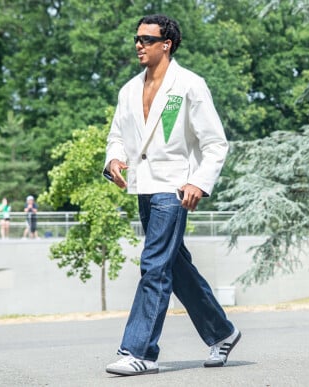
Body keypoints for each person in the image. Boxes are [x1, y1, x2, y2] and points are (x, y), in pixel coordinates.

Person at [103, 14, 240, 377]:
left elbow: (214, 143)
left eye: (147, 39)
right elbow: (117, 134)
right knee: (173, 267)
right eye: (137, 38)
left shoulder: (190, 85)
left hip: (174, 188)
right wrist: (114, 158)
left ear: (167, 44)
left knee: (154, 265)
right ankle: (222, 332)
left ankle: (140, 350)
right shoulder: (129, 90)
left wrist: (198, 181)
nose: (138, 44)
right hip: (143, 188)